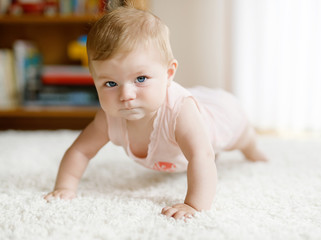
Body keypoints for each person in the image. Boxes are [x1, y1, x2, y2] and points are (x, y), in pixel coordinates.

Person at [44, 1, 267, 220]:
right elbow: (80, 151)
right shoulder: (109, 117)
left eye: (140, 79)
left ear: (169, 73)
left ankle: (252, 147)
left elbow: (202, 155)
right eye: (110, 83)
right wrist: (65, 187)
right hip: (183, 139)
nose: (126, 95)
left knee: (239, 139)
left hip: (223, 116)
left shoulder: (180, 111)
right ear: (94, 81)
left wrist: (193, 205)